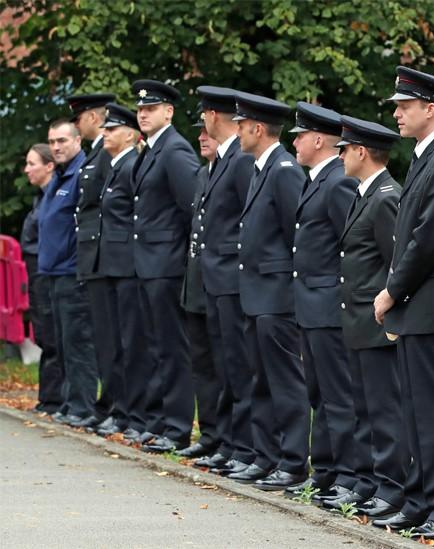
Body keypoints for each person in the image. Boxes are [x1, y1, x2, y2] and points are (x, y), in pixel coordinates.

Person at [371, 66, 434, 540]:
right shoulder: (428, 156)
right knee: (414, 411)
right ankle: (421, 498)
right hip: (418, 305)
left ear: (431, 109)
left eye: (405, 107)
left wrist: (392, 289)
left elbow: (429, 238)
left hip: (431, 304)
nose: (397, 115)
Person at [320, 116, 406, 520]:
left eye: (344, 148)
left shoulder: (386, 196)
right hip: (355, 320)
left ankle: (390, 488)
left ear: (360, 152)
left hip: (375, 323)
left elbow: (397, 265)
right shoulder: (364, 193)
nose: (339, 155)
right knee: (363, 408)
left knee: (384, 411)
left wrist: (388, 313)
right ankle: (367, 481)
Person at [286, 102, 367, 503]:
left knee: (338, 396)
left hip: (329, 306)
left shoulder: (338, 182)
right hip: (311, 306)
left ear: (319, 140)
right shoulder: (316, 178)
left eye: (299, 136)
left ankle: (349, 477)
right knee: (319, 393)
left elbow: (348, 247)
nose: (294, 143)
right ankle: (327, 471)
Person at [232, 91, 307, 489]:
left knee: (284, 380)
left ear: (257, 129)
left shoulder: (283, 170)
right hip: (256, 292)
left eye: (241, 126)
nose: (237, 132)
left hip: (277, 294)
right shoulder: (261, 168)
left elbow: (298, 235)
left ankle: (293, 461)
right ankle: (265, 455)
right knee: (259, 379)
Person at [129, 79, 199, 452]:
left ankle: (175, 427)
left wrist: (180, 258)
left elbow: (191, 209)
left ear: (168, 112)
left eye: (150, 108)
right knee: (155, 345)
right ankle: (157, 420)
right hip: (149, 263)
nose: (143, 114)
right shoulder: (151, 150)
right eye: (140, 109)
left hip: (167, 264)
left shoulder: (174, 150)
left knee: (172, 347)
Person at [192, 86, 257, 477]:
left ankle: (245, 447)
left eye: (204, 116)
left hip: (234, 279)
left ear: (214, 116)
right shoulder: (223, 160)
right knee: (224, 365)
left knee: (239, 366)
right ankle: (232, 444)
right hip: (216, 280)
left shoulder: (240, 160)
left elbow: (249, 221)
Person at [92, 103, 146, 439]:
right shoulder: (115, 165)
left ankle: (132, 413)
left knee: (131, 343)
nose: (105, 134)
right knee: (114, 342)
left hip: (127, 266)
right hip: (112, 265)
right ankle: (121, 409)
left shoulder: (131, 165)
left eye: (111, 129)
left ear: (130, 135)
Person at [39, 119, 97, 426]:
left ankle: (82, 406)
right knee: (62, 343)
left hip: (72, 273)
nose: (57, 147)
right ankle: (67, 401)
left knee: (78, 344)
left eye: (62, 140)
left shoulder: (80, 173)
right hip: (53, 273)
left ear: (77, 141)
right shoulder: (60, 176)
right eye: (52, 141)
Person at [67, 93, 119, 431]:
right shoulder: (98, 153)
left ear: (92, 118)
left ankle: (114, 405)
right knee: (103, 338)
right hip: (93, 256)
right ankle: (108, 405)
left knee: (112, 339)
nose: (76, 124)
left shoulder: (106, 154)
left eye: (79, 118)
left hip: (103, 256)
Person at [176, 107, 223, 460]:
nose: (201, 138)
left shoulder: (229, 168)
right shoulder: (205, 173)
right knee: (203, 365)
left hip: (219, 285)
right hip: (197, 282)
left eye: (207, 132)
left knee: (224, 367)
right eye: (199, 132)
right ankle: (210, 434)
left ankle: (225, 438)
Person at [21, 144, 63, 415]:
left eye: (32, 163)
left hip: (47, 272)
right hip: (37, 273)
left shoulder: (56, 197)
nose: (26, 169)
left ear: (49, 166)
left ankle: (55, 399)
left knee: (53, 336)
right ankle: (49, 398)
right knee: (46, 335)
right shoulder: (41, 198)